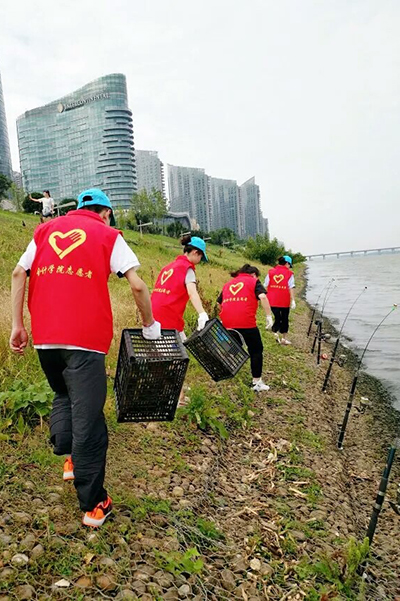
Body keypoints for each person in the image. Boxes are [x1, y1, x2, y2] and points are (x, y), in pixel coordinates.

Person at [10, 188, 161, 528]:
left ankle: (71, 459)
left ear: (78, 209)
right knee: (90, 420)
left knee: (63, 394)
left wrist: (18, 325)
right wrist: (150, 325)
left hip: (46, 339)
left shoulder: (46, 230)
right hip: (86, 341)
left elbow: (19, 273)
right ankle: (93, 504)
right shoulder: (108, 235)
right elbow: (137, 286)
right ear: (105, 213)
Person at [217, 264, 273, 392]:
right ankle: (256, 382)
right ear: (252, 274)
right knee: (256, 350)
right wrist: (269, 316)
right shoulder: (253, 282)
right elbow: (263, 296)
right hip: (247, 322)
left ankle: (226, 372)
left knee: (233, 347)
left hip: (228, 322)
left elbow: (220, 302)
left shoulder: (228, 284)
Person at [151, 234, 209, 339]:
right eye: (201, 257)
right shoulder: (187, 268)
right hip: (169, 318)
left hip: (152, 316)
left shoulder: (167, 267)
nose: (200, 261)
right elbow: (192, 292)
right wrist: (202, 313)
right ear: (195, 253)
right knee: (177, 352)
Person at [264, 255, 296, 345]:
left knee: (277, 318)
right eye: (289, 265)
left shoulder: (270, 272)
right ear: (286, 263)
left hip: (272, 300)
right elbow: (291, 287)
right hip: (284, 301)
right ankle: (283, 338)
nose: (289, 267)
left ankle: (275, 334)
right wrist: (293, 300)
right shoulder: (290, 274)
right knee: (285, 319)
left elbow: (266, 285)